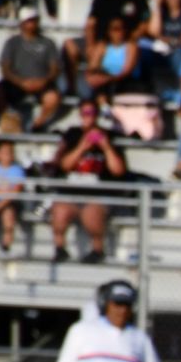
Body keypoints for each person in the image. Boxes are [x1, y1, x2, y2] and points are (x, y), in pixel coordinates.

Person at [48, 101, 126, 264]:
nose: (88, 117)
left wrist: (106, 147)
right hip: (72, 191)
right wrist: (82, 147)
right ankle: (60, 248)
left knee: (92, 213)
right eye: (85, 113)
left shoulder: (109, 136)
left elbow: (119, 170)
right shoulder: (72, 135)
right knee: (59, 210)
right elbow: (64, 165)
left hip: (98, 193)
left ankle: (97, 249)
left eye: (91, 113)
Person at [1, 9, 62, 133]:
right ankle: (8, 118)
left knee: (53, 98)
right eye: (29, 21)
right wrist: (20, 82)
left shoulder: (48, 43)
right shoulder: (12, 43)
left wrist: (43, 81)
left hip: (42, 83)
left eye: (34, 20)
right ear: (22, 23)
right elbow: (5, 68)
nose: (32, 24)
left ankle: (37, 125)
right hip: (17, 83)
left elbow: (55, 68)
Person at [0, 139, 24, 255]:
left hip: (9, 202)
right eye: (3, 152)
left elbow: (16, 190)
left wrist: (1, 204)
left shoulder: (17, 170)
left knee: (8, 215)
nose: (6, 155)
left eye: (9, 152)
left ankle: (6, 246)